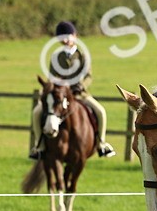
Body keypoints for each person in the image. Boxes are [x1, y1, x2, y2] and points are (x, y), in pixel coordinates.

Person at [29, 21, 115, 159]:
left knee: (101, 111)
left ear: (75, 36)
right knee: (37, 112)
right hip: (59, 96)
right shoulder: (55, 57)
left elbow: (88, 76)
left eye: (67, 36)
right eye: (61, 37)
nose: (64, 40)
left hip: (79, 94)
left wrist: (81, 85)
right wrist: (51, 88)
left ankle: (101, 144)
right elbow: (52, 77)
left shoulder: (83, 56)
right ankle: (39, 147)